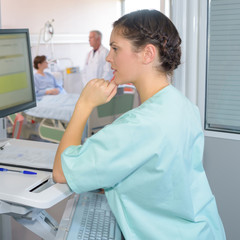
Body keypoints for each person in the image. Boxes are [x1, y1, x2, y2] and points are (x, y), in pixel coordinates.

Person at [53, 10, 225, 240]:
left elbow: (61, 172)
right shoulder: (183, 106)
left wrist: (83, 105)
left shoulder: (138, 125)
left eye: (115, 48)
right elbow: (164, 174)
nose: (108, 57)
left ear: (147, 54)